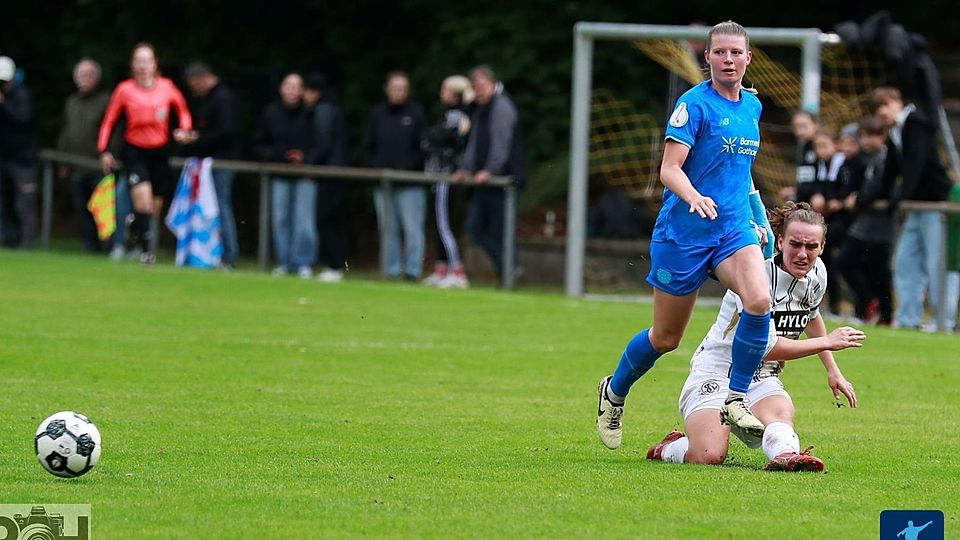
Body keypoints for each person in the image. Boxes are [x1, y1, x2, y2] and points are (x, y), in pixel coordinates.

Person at [596, 21, 773, 450]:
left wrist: (759, 214)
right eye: (720, 53)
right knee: (666, 338)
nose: (728, 60)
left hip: (731, 230)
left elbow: (742, 172)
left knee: (759, 300)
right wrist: (693, 196)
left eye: (736, 53)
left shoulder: (751, 106)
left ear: (748, 58)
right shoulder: (693, 106)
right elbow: (669, 169)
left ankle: (734, 398)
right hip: (684, 235)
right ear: (707, 58)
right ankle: (614, 391)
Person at [646, 202, 862, 472]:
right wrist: (828, 341)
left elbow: (809, 314)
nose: (803, 254)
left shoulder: (818, 273)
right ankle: (670, 447)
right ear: (780, 242)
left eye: (811, 247)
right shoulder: (755, 279)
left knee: (782, 413)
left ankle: (787, 456)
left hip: (761, 377)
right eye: (795, 244)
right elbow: (765, 347)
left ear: (822, 247)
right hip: (718, 371)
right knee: (708, 455)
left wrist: (833, 370)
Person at [871, 87, 959, 331]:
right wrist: (878, 197)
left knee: (939, 264)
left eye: (886, 105)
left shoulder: (916, 122)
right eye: (878, 108)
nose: (882, 112)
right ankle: (909, 319)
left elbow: (916, 163)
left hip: (936, 206)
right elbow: (891, 171)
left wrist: (899, 199)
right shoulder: (896, 132)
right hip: (915, 207)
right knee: (905, 261)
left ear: (898, 102)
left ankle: (944, 321)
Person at [98, 43, 193, 265]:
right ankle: (146, 252)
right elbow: (109, 121)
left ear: (154, 64)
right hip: (134, 150)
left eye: (146, 60)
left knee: (154, 208)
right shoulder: (124, 90)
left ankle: (137, 231)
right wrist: (104, 150)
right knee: (144, 203)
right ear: (132, 65)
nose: (142, 66)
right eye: (138, 61)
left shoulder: (167, 87)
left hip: (159, 151)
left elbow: (183, 111)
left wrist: (184, 130)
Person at [453, 65, 527, 281]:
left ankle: (509, 271)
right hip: (485, 182)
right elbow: (475, 144)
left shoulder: (502, 107)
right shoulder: (480, 109)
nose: (479, 91)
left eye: (482, 86)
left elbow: (500, 145)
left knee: (500, 230)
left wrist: (489, 170)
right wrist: (465, 169)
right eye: (475, 87)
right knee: (475, 228)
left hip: (504, 181)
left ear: (492, 84)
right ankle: (508, 268)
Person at [363, 71, 428, 280]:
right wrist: (378, 167)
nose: (399, 92)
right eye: (395, 88)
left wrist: (409, 167)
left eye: (403, 88)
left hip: (410, 183)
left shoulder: (417, 114)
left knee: (413, 229)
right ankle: (391, 270)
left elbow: (423, 148)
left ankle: (412, 271)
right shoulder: (377, 114)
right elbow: (368, 146)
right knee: (388, 229)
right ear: (387, 89)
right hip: (385, 183)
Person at [253, 72, 316, 278]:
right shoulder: (270, 113)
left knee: (303, 221)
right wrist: (278, 156)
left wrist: (304, 157)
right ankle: (284, 262)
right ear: (281, 88)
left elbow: (319, 143)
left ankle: (302, 262)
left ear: (302, 90)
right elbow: (259, 144)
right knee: (280, 220)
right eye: (288, 85)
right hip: (279, 174)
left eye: (296, 86)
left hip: (304, 174)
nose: (292, 90)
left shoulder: (310, 114)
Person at [181, 62, 241, 269]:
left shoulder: (222, 98)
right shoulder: (213, 98)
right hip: (211, 162)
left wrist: (197, 138)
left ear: (202, 78)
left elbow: (226, 132)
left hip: (222, 161)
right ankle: (213, 252)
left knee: (221, 206)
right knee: (214, 207)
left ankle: (229, 255)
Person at [838, 117, 894, 325]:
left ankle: (885, 313)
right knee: (846, 261)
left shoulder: (885, 158)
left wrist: (859, 200)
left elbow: (880, 187)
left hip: (880, 224)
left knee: (879, 271)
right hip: (863, 222)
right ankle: (868, 302)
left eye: (872, 136)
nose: (867, 140)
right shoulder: (861, 159)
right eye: (864, 136)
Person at [422, 75, 474, 289]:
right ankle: (442, 268)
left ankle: (457, 270)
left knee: (445, 224)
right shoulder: (449, 116)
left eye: (445, 89)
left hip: (447, 176)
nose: (441, 93)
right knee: (438, 223)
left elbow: (434, 139)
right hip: (439, 175)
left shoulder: (457, 117)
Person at [56, 58, 111, 253]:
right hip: (75, 166)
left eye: (89, 75)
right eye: (81, 75)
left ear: (97, 78)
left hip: (98, 167)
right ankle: (90, 246)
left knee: (103, 210)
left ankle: (108, 246)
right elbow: (66, 131)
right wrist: (63, 160)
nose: (84, 79)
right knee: (82, 209)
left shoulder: (106, 100)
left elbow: (112, 129)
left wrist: (109, 152)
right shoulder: (72, 102)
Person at [304, 72, 349, 283]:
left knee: (326, 219)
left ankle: (334, 265)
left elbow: (323, 143)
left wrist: (310, 164)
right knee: (332, 219)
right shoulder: (332, 109)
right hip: (336, 170)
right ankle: (335, 265)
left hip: (329, 172)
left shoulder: (322, 111)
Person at [0, 55, 38, 248]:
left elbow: (23, 118)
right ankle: (9, 240)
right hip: (4, 158)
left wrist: (3, 103)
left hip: (23, 160)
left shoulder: (22, 94)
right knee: (5, 203)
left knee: (24, 204)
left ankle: (27, 243)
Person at [810, 127, 848, 316]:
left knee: (839, 263)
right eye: (817, 146)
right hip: (827, 220)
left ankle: (840, 304)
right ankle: (828, 305)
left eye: (824, 145)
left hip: (842, 222)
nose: (820, 150)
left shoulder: (844, 164)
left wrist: (838, 201)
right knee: (824, 263)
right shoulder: (821, 164)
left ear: (835, 145)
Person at [780, 110, 818, 202]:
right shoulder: (803, 147)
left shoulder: (820, 146)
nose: (800, 131)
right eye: (796, 127)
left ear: (815, 125)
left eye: (803, 126)